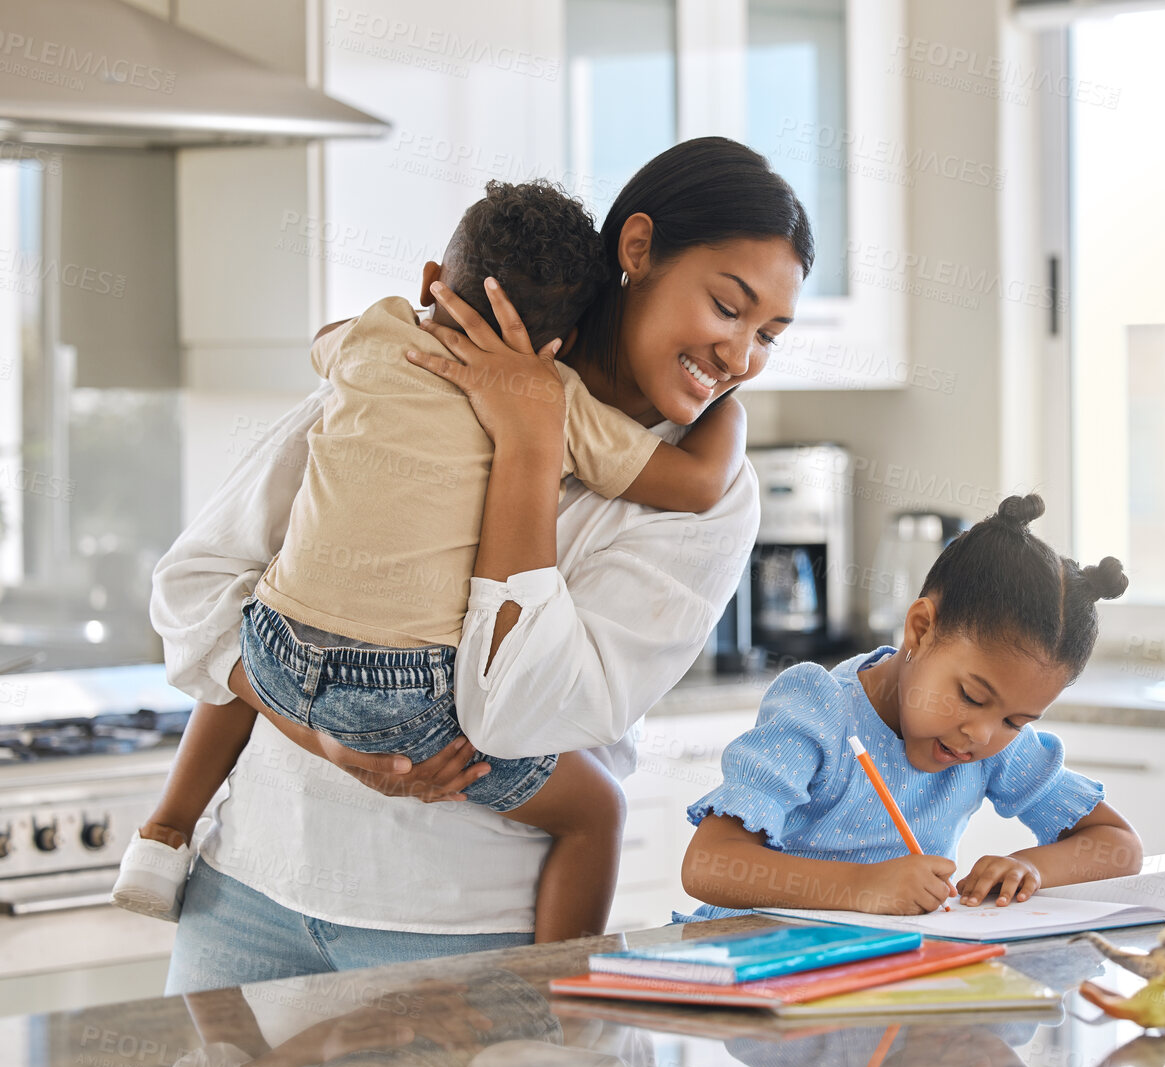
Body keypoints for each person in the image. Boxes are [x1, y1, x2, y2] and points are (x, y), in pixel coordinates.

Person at [153, 137, 810, 992]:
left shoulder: (710, 498)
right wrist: (320, 730)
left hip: (456, 941)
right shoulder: (437, 357)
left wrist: (531, 445)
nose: (741, 356)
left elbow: (520, 715)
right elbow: (196, 589)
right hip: (244, 892)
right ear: (638, 249)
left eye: (770, 334)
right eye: (728, 307)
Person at [679, 494, 1143, 920]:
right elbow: (709, 864)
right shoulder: (819, 710)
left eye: (1015, 721)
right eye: (972, 697)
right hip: (758, 974)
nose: (983, 734)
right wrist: (861, 887)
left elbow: (1118, 847)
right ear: (920, 629)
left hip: (876, 984)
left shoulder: (993, 746)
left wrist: (1031, 867)